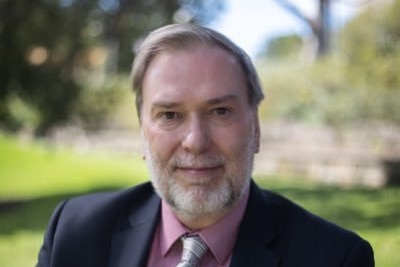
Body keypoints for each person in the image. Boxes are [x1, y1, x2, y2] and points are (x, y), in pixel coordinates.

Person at [37, 23, 374, 267]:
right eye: (169, 115)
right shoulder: (74, 233)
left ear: (255, 128)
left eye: (220, 111)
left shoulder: (334, 258)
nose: (196, 142)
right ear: (143, 132)